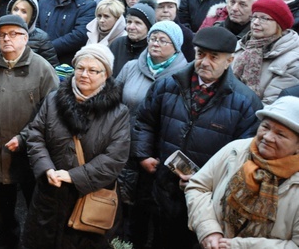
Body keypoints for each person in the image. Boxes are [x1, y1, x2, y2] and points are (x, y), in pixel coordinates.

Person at [131, 26, 262, 249]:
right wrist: (143, 154)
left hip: (206, 197)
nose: (205, 62)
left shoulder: (245, 102)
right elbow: (144, 122)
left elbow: (245, 155)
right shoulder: (167, 85)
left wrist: (208, 180)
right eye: (201, 54)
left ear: (229, 61)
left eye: (214, 57)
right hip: (159, 184)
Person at [22, 44, 130, 249]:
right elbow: (36, 135)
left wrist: (74, 176)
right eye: (80, 68)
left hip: (86, 199)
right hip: (49, 194)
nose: (84, 74)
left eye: (93, 70)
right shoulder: (54, 100)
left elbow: (115, 158)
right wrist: (46, 168)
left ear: (106, 74)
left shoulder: (118, 113)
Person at [0, 15, 59, 248]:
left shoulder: (42, 69)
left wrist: (24, 138)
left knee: (36, 210)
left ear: (26, 37)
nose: (6, 39)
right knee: (2, 212)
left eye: (13, 34)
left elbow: (51, 115)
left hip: (32, 155)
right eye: (2, 35)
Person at [185, 96, 299, 248]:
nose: (267, 137)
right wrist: (208, 230)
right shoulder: (237, 150)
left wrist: (237, 246)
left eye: (280, 134)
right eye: (265, 127)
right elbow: (198, 186)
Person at [115, 21, 188, 245]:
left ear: (175, 46)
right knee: (125, 206)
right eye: (153, 38)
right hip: (125, 143)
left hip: (157, 152)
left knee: (153, 210)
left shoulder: (183, 75)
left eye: (162, 40)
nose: (155, 43)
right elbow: (113, 98)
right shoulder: (131, 67)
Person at [231, 0, 299, 105]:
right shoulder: (242, 45)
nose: (256, 23)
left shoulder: (292, 61)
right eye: (254, 17)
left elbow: (271, 105)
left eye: (264, 18)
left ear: (279, 24)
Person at [37, 0, 96, 65]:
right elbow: (36, 24)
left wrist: (48, 48)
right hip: (40, 58)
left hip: (66, 62)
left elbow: (79, 35)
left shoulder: (88, 5)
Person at [0, 0, 60, 66]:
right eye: (15, 9)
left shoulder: (41, 38)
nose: (17, 14)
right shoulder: (0, 33)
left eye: (24, 11)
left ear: (31, 16)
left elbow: (52, 69)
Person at [108, 2, 157, 77]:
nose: (131, 27)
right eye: (129, 22)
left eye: (138, 23)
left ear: (148, 27)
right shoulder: (117, 44)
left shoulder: (153, 49)